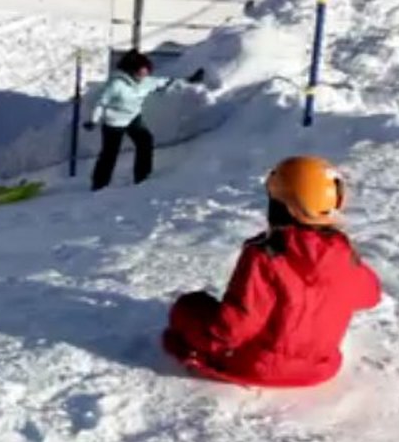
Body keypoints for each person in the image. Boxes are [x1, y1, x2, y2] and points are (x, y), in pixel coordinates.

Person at [163, 156, 380, 388]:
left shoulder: (266, 254)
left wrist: (188, 320)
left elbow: (234, 330)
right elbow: (371, 296)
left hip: (258, 367)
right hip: (319, 369)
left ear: (281, 206)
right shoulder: (343, 255)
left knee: (189, 306)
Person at [84, 50, 204, 191]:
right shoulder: (116, 84)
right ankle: (99, 184)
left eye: (146, 73)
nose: (144, 76)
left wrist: (188, 81)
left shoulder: (146, 82)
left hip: (133, 118)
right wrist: (93, 120)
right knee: (110, 153)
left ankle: (142, 177)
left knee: (145, 141)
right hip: (114, 122)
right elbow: (101, 103)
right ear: (131, 71)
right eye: (141, 73)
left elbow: (165, 82)